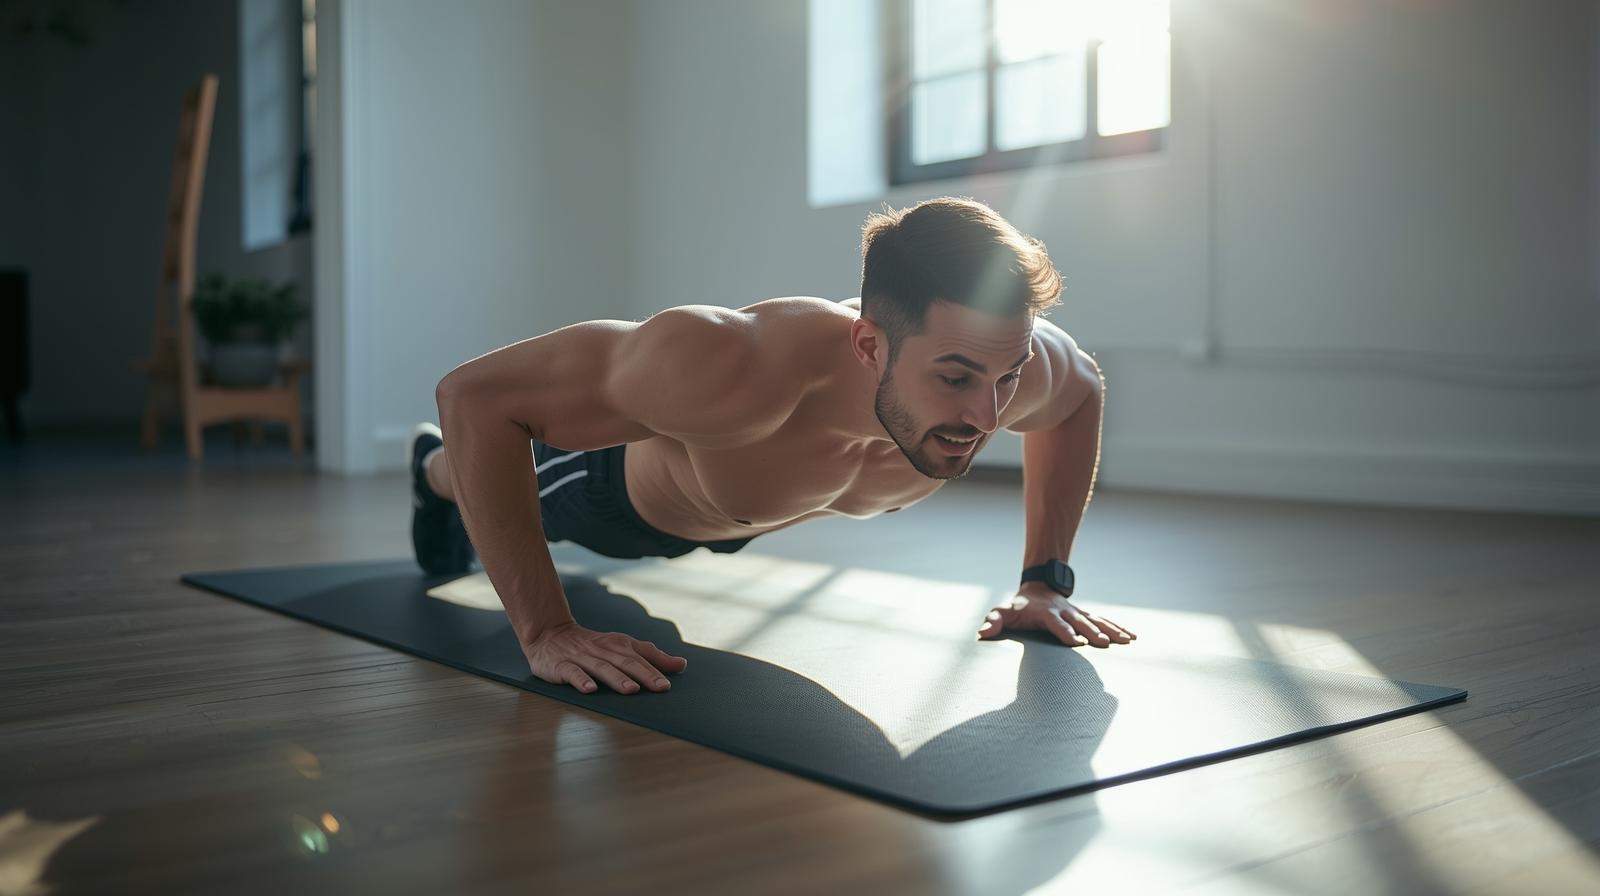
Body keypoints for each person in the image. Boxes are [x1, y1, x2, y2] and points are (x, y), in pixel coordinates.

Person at [412, 197, 1136, 697]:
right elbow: (475, 399)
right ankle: (429, 471)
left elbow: (1080, 397)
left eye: (1006, 377)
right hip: (609, 496)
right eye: (955, 377)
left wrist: (1044, 580)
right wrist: (546, 631)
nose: (986, 414)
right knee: (466, 469)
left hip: (737, 512)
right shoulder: (728, 363)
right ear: (867, 344)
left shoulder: (1015, 363)